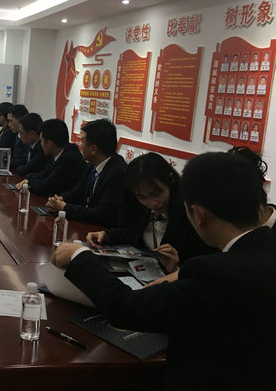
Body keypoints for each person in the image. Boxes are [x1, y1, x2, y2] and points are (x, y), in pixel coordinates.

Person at [53, 152, 276, 390]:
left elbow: (126, 308)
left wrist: (79, 256)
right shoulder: (265, 248)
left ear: (198, 214)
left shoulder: (214, 273)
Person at [85, 152, 217, 273]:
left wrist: (178, 268)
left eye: (157, 193)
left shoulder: (190, 213)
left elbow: (206, 263)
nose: (152, 203)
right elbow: (131, 232)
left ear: (170, 180)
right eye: (142, 197)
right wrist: (106, 235)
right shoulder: (137, 206)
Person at [46, 119, 126, 227]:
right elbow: (77, 192)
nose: (80, 145)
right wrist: (58, 200)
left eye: (82, 142)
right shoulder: (92, 165)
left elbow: (103, 214)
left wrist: (65, 207)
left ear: (93, 149)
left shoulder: (118, 173)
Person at [16, 118, 85, 197]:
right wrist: (29, 179)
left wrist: (30, 180)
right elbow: (44, 173)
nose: (41, 144)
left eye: (41, 141)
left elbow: (43, 188)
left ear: (50, 143)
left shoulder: (69, 159)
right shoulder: (61, 152)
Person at [7, 104, 29, 169]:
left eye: (10, 121)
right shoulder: (17, 136)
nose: (9, 125)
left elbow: (22, 161)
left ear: (20, 120)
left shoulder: (28, 138)